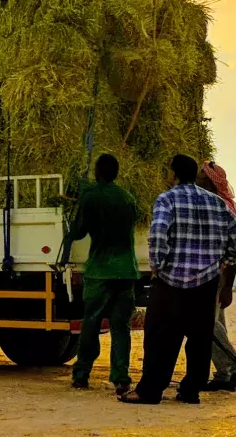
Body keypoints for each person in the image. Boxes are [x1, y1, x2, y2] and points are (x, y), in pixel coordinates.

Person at [121, 155, 236, 406]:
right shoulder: (216, 202)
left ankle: (150, 391)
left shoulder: (167, 199)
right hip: (206, 282)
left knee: (159, 337)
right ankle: (191, 391)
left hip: (170, 282)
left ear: (173, 174)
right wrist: (226, 260)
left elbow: (158, 235)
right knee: (199, 339)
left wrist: (158, 267)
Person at [65, 153, 140, 395]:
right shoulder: (128, 197)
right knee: (121, 326)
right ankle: (121, 377)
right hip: (126, 269)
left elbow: (78, 231)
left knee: (91, 322)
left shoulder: (90, 196)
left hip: (100, 270)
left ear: (97, 172)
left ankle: (81, 374)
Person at [196, 161, 236, 392]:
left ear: (210, 181)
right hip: (217, 272)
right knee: (217, 323)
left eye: (201, 175)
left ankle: (235, 365)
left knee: (205, 323)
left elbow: (234, 247)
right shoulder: (221, 204)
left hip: (215, 272)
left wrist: (227, 285)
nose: (197, 178)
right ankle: (224, 374)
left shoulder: (221, 207)